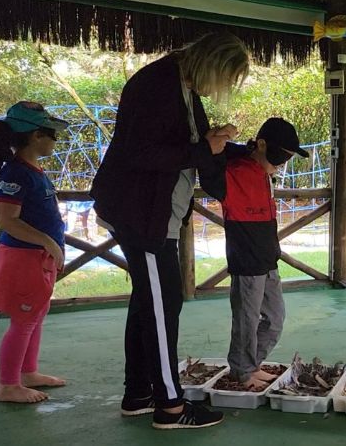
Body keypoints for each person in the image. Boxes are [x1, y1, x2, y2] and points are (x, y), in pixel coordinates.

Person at [89, 32, 251, 430]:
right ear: (210, 63)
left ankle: (139, 394)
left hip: (155, 211)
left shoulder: (183, 87)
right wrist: (205, 150)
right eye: (225, 78)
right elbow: (140, 154)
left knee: (149, 302)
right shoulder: (157, 84)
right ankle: (171, 407)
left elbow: (194, 145)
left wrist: (243, 149)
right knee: (165, 306)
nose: (222, 89)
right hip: (141, 212)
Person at [220, 118, 307, 391]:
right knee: (246, 320)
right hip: (246, 261)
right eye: (281, 155)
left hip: (268, 260)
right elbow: (212, 154)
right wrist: (236, 149)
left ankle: (248, 364)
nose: (282, 162)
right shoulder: (234, 171)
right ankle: (243, 372)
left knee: (275, 319)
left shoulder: (264, 176)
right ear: (260, 145)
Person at [0, 101, 69, 403]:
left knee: (37, 314)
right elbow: (6, 221)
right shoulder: (16, 173)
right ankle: (9, 384)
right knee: (23, 320)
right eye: (53, 134)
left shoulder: (33, 170)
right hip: (22, 257)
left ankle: (28, 372)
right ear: (36, 135)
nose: (56, 140)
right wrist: (48, 242)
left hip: (38, 258)